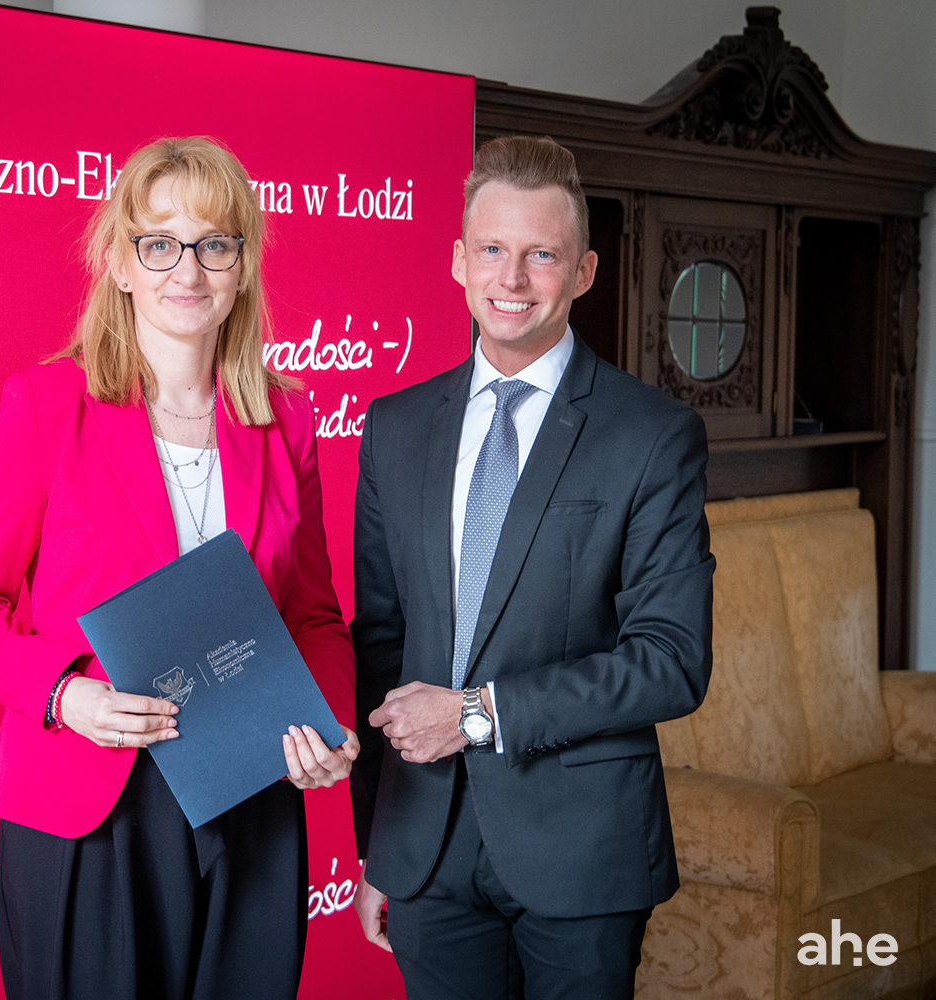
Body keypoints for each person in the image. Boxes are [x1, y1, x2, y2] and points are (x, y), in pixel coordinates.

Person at [0, 135, 359, 1000]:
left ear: (243, 265)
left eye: (213, 244)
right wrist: (64, 696)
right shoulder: (48, 405)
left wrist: (329, 722)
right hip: (94, 803)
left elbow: (312, 615)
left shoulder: (286, 419)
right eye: (159, 244)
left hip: (251, 792)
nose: (186, 271)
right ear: (120, 264)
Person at [348, 135, 713, 999]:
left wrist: (478, 716)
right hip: (426, 847)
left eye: (541, 255)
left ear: (583, 272)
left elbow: (672, 661)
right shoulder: (395, 428)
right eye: (493, 250)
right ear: (459, 261)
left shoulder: (651, 435)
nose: (512, 278)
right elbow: (380, 643)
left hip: (582, 852)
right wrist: (379, 846)